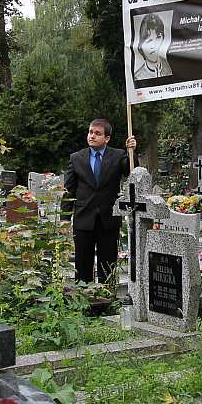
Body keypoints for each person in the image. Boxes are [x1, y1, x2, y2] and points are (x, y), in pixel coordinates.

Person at [64, 120, 137, 283]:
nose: (92, 136)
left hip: (108, 221)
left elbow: (130, 171)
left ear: (107, 138)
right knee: (82, 267)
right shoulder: (76, 158)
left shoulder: (118, 155)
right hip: (83, 220)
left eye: (97, 133)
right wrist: (64, 219)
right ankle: (83, 296)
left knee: (108, 268)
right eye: (90, 132)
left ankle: (107, 297)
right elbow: (68, 191)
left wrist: (131, 152)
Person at [133, 13, 172, 80]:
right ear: (141, 45)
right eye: (149, 41)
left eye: (158, 38)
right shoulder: (138, 77)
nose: (154, 46)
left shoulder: (169, 65)